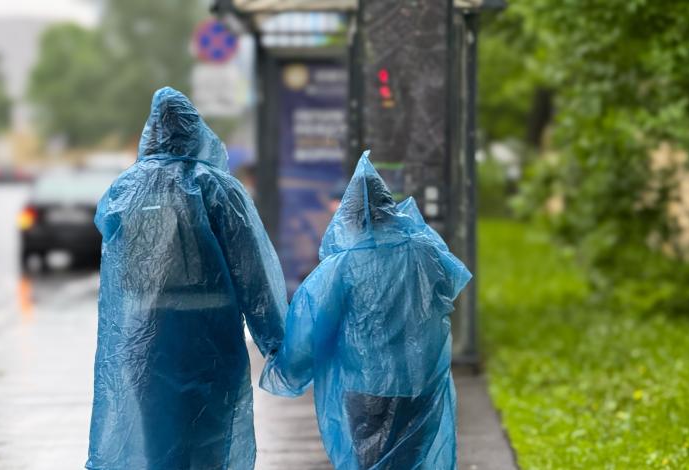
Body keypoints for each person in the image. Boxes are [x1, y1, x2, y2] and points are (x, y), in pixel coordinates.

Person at [86, 87, 287, 470]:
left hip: (147, 342)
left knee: (160, 445)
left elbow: (117, 278)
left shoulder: (124, 190)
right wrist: (277, 342)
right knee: (208, 446)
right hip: (209, 340)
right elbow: (252, 272)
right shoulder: (217, 189)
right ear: (196, 132)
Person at [261, 151, 472, 470]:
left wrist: (288, 368)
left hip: (368, 386)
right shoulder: (425, 251)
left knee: (371, 461)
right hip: (421, 381)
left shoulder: (342, 266)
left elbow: (312, 327)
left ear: (348, 218)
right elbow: (448, 287)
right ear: (390, 209)